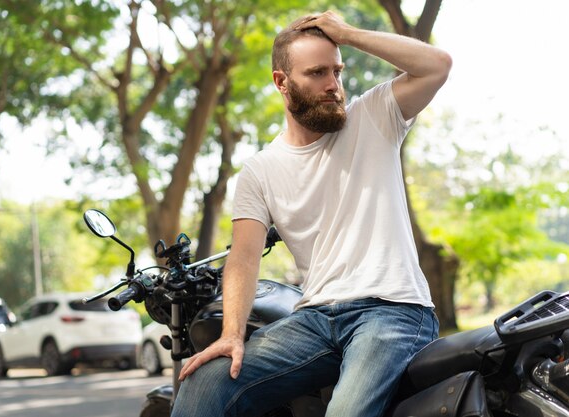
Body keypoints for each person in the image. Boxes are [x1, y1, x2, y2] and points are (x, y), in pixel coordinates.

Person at [171, 10, 452, 417]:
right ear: (281, 82)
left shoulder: (372, 116)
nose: (333, 86)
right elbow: (244, 257)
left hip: (393, 311)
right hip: (314, 320)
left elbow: (437, 65)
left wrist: (347, 34)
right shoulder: (260, 169)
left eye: (336, 71)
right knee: (205, 382)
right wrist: (231, 334)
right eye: (318, 73)